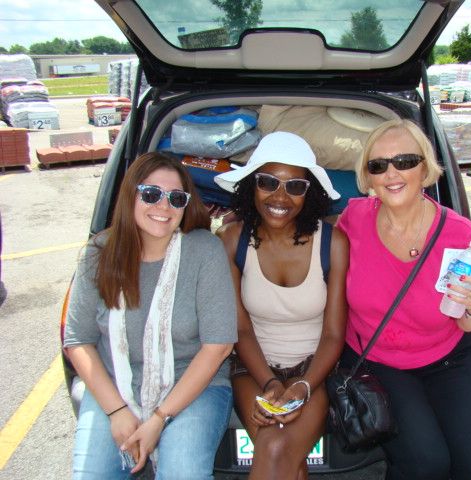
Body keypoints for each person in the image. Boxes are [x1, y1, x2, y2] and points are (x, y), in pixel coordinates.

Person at [336, 119, 471, 480]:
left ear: (425, 168)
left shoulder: (458, 232)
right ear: (368, 177)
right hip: (379, 360)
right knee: (426, 462)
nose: (391, 174)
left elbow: (468, 321)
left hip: (450, 357)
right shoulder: (353, 219)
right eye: (378, 166)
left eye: (405, 161)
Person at [64, 152, 237, 479]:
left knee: (182, 472)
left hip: (192, 387)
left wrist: (158, 418)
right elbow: (78, 341)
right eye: (151, 194)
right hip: (115, 385)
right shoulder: (98, 254)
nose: (164, 207)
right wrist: (116, 410)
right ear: (130, 195)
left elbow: (218, 347)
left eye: (176, 198)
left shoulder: (203, 251)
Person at [214, 131, 348, 480]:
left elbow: (334, 334)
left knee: (276, 449)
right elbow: (240, 328)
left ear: (310, 194)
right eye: (268, 181)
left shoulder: (332, 243)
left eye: (295, 187)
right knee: (281, 451)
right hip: (253, 368)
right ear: (250, 186)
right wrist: (271, 383)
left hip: (315, 371)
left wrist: (302, 385)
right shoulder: (231, 240)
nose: (280, 196)